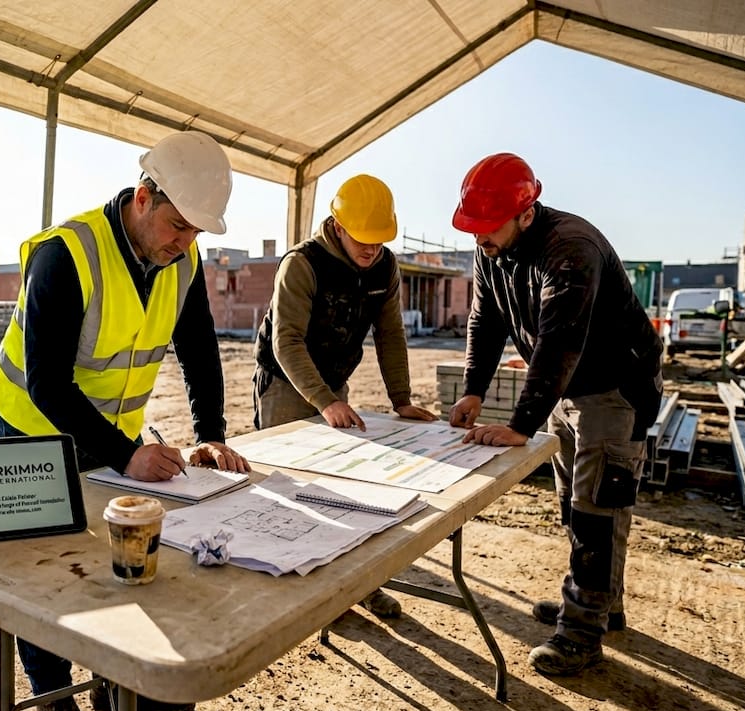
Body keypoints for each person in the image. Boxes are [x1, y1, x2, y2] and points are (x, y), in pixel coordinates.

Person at [0, 130, 249, 711]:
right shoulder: (67, 254)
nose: (184, 244)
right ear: (142, 198)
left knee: (121, 561)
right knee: (45, 574)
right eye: (177, 226)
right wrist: (128, 454)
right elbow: (47, 383)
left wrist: (210, 431)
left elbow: (200, 347)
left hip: (110, 433)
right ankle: (55, 698)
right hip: (34, 429)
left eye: (195, 233)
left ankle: (116, 681)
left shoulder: (181, 262)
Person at [446, 153, 663, 676]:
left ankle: (582, 634)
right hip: (568, 389)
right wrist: (475, 389)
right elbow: (486, 319)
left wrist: (520, 425)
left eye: (487, 228)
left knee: (597, 513)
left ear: (525, 213)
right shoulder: (491, 247)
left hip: (615, 388)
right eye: (472, 228)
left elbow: (560, 339)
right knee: (575, 504)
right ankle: (598, 605)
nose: (479, 239)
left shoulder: (570, 247)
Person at [253, 173, 437, 620]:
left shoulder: (385, 266)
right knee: (293, 488)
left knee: (345, 487)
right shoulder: (303, 264)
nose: (370, 249)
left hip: (334, 382)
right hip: (287, 384)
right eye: (362, 239)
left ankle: (360, 582)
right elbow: (287, 342)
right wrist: (324, 400)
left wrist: (401, 400)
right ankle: (310, 593)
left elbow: (391, 334)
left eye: (378, 240)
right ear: (337, 225)